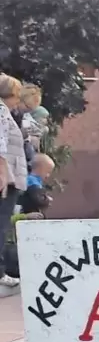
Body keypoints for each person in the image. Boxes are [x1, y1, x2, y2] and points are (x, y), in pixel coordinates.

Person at [0, 75, 29, 291]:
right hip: (5, 177)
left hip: (7, 173)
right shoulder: (1, 111)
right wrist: (3, 174)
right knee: (1, 223)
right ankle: (0, 273)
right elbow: (0, 143)